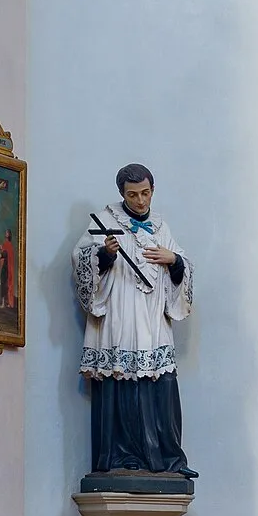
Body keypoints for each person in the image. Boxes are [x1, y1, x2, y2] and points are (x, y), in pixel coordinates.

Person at [72, 165, 196, 484]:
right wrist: (106, 254)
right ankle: (119, 457)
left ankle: (168, 458)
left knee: (161, 385)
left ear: (152, 190)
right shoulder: (104, 222)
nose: (140, 201)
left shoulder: (161, 225)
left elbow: (182, 266)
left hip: (153, 318)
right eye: (132, 195)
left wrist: (175, 261)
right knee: (121, 382)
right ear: (121, 194)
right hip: (120, 315)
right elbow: (81, 259)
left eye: (145, 193)